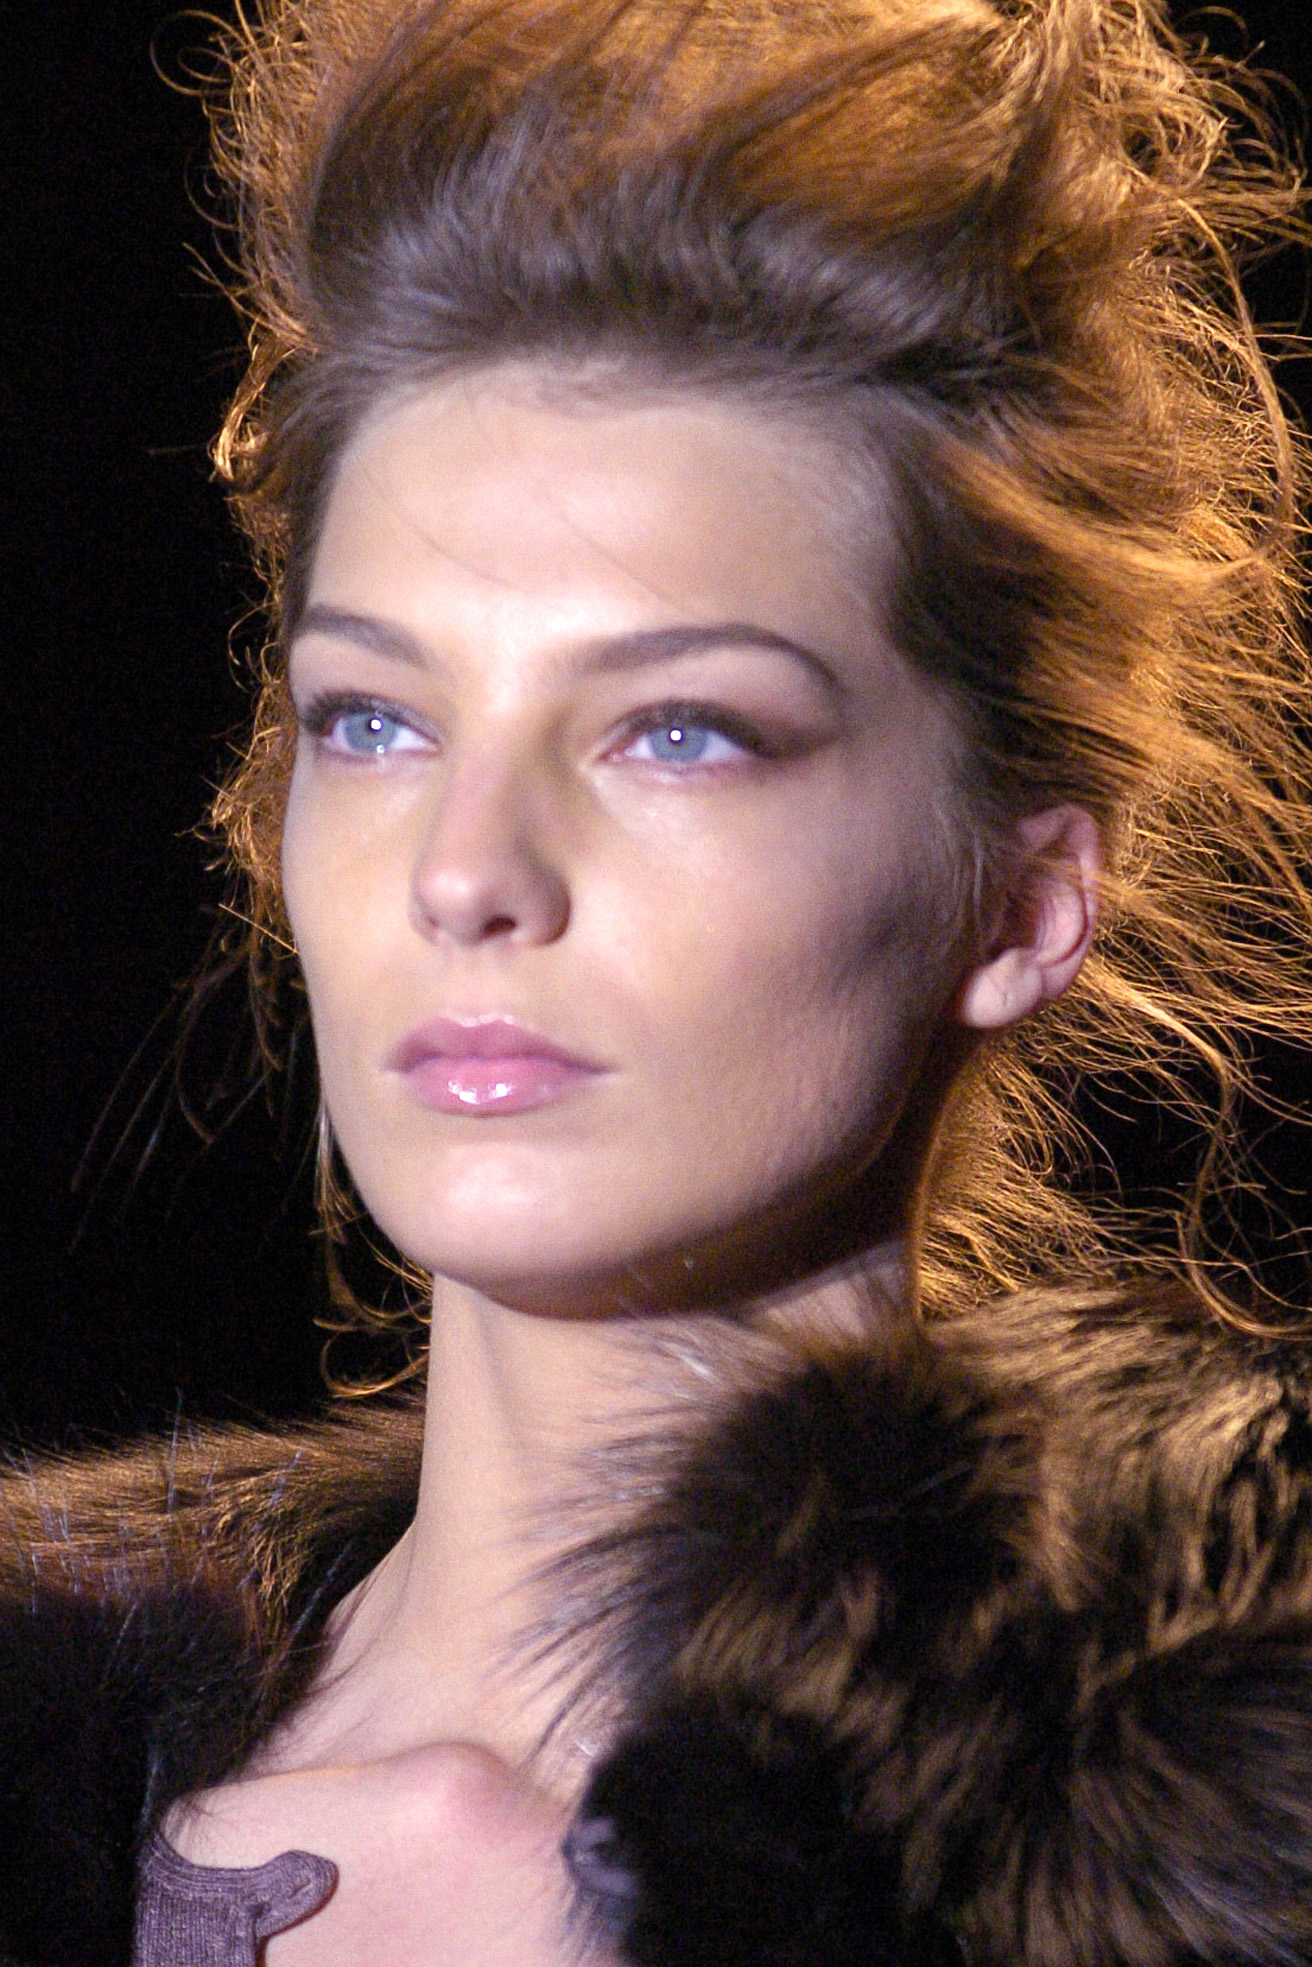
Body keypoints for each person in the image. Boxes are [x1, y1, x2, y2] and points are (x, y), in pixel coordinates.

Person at [4, 0, 1312, 1961]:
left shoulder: (1208, 1868)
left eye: (679, 731)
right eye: (374, 720)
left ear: (1024, 900)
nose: (466, 870)